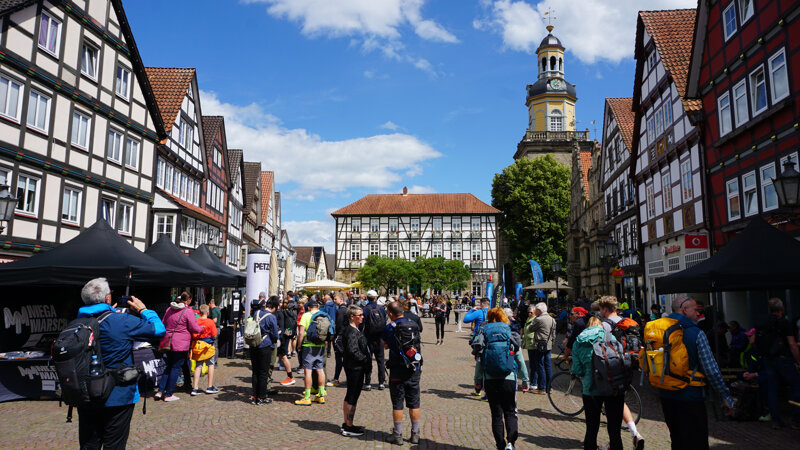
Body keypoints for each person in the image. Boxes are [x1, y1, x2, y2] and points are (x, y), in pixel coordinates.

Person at [75, 278, 165, 449]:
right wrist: (144, 310)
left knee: (89, 445)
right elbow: (159, 329)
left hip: (85, 394)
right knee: (114, 445)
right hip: (118, 395)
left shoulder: (76, 324)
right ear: (107, 299)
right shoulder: (121, 321)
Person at [657, 296, 733, 449]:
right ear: (684, 310)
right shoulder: (696, 333)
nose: (699, 313)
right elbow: (711, 370)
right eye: (695, 310)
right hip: (690, 396)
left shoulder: (659, 330)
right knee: (696, 442)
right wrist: (724, 395)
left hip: (666, 395)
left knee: (677, 440)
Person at [474, 308, 529, 450]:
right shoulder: (510, 332)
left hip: (490, 379)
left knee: (496, 414)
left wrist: (478, 380)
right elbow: (520, 358)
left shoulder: (484, 332)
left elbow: (479, 360)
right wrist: (525, 380)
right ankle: (511, 443)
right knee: (510, 411)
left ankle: (500, 445)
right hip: (509, 378)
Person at [596, 296, 644, 448]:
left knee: (611, 410)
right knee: (619, 402)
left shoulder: (604, 325)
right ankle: (634, 433)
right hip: (628, 367)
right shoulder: (625, 322)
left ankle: (614, 444)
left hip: (612, 370)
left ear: (604, 309)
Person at [571, 316, 625, 450]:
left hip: (591, 388)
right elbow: (621, 359)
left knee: (591, 427)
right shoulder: (610, 338)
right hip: (613, 385)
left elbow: (577, 369)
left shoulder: (578, 342)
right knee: (614, 428)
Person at [382, 301, 423, 445]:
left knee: (398, 403)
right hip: (413, 368)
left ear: (391, 314)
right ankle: (415, 434)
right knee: (414, 402)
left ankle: (398, 435)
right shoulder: (413, 324)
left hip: (397, 369)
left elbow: (385, 345)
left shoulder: (389, 328)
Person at [757, 298, 800, 429]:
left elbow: (754, 340)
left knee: (772, 389)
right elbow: (792, 344)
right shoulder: (784, 322)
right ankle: (796, 418)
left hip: (768, 359)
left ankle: (776, 420)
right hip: (783, 359)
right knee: (797, 386)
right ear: (781, 309)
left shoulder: (763, 322)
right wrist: (798, 361)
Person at [156, 291, 202, 402]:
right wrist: (202, 329)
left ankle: (160, 391)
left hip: (168, 341)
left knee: (168, 366)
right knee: (175, 368)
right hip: (181, 343)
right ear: (189, 300)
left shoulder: (169, 309)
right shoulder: (187, 311)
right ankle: (169, 394)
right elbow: (195, 328)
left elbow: (163, 323)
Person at [340, 305, 370, 437]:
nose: (362, 317)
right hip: (355, 367)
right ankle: (348, 426)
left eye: (362, 314)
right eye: (360, 315)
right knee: (352, 395)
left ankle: (348, 423)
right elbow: (353, 350)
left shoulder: (354, 329)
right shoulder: (351, 331)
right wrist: (365, 359)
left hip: (354, 366)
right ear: (352, 317)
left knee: (351, 394)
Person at [294, 300, 328, 405]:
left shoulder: (306, 315)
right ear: (317, 307)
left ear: (308, 307)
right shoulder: (323, 315)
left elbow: (300, 332)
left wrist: (299, 346)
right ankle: (321, 395)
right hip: (321, 345)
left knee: (307, 371)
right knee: (320, 369)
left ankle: (307, 397)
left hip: (308, 345)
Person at [249, 297, 279, 405]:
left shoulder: (256, 313)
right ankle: (261, 397)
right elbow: (275, 334)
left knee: (255, 371)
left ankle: (254, 396)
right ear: (274, 307)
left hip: (254, 344)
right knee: (263, 372)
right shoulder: (271, 317)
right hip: (265, 345)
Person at [360, 290, 387, 391]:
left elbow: (362, 324)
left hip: (368, 338)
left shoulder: (365, 309)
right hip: (380, 338)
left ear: (368, 297)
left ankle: (367, 383)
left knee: (368, 361)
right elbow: (384, 321)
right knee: (380, 361)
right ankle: (381, 383)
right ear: (376, 297)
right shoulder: (381, 308)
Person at [528, 302, 556, 395]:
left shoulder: (539, 319)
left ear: (539, 310)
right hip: (548, 345)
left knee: (540, 365)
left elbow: (530, 328)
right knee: (548, 366)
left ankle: (542, 387)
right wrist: (551, 343)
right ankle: (549, 386)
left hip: (540, 345)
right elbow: (554, 335)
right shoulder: (552, 319)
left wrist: (534, 319)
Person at [190, 304, 219, 395]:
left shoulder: (196, 321)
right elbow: (214, 335)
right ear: (207, 312)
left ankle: (195, 388)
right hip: (207, 346)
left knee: (198, 366)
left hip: (198, 345)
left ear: (199, 312)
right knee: (211, 364)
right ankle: (209, 387)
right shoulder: (210, 322)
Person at [464, 298, 491, 396]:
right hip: (490, 342)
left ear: (482, 304)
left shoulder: (479, 312)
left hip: (479, 343)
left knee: (479, 366)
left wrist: (472, 309)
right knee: (488, 367)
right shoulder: (492, 312)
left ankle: (478, 389)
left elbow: (466, 319)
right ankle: (488, 392)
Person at [328, 293, 348, 387]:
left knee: (339, 359)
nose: (334, 301)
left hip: (340, 337)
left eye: (335, 299)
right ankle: (349, 378)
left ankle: (336, 378)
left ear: (341, 299)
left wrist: (336, 336)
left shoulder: (340, 311)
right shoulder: (347, 309)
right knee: (346, 359)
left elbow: (339, 325)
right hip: (346, 336)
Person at [276, 296, 297, 386]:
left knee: (283, 356)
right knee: (282, 356)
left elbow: (280, 326)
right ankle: (290, 376)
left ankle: (290, 377)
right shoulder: (289, 313)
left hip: (282, 338)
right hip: (286, 336)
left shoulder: (280, 313)